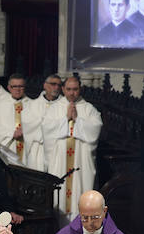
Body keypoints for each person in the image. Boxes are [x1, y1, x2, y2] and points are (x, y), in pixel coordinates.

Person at [42, 76, 103, 219]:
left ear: (80, 89)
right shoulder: (55, 108)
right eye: (68, 89)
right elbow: (46, 128)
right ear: (63, 89)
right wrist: (65, 119)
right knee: (60, 194)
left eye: (75, 89)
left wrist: (77, 120)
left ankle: (81, 225)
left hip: (81, 161)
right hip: (60, 160)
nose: (71, 93)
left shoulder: (89, 109)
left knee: (80, 192)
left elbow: (95, 129)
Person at [20, 74, 62, 172]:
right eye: (53, 84)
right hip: (38, 149)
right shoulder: (32, 105)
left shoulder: (63, 106)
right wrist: (50, 125)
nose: (56, 87)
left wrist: (44, 123)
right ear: (45, 85)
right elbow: (28, 125)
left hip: (56, 149)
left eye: (59, 85)